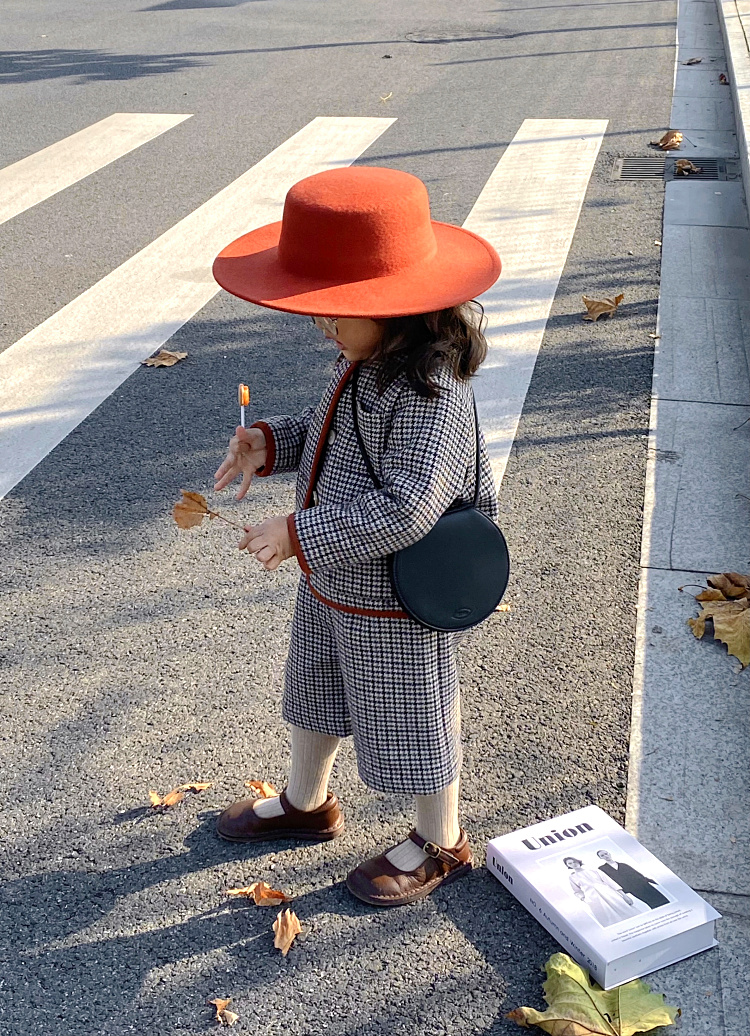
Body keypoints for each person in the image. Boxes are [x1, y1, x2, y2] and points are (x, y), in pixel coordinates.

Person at [209, 165, 502, 907]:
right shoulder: (365, 364)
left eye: (337, 310)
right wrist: (270, 443)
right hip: (334, 580)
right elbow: (330, 437)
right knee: (315, 694)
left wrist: (298, 532)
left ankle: (443, 840)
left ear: (397, 307)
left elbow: (408, 507)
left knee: (414, 715)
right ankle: (308, 802)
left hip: (395, 599)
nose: (323, 325)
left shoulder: (431, 393)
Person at [564, 857, 642, 927]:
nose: (573, 864)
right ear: (568, 866)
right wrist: (584, 899)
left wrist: (624, 895)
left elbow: (609, 881)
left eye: (574, 862)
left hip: (608, 893)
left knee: (625, 909)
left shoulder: (593, 870)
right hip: (594, 899)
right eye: (570, 863)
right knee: (609, 918)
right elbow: (577, 891)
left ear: (578, 861)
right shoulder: (572, 877)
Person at [596, 849, 669, 909]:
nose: (605, 856)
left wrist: (648, 880)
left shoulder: (623, 865)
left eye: (606, 853)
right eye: (602, 855)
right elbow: (607, 881)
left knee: (662, 899)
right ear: (600, 858)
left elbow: (637, 874)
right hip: (631, 889)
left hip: (644, 884)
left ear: (609, 853)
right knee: (652, 903)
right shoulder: (602, 869)